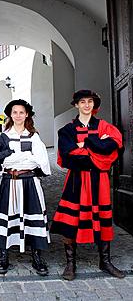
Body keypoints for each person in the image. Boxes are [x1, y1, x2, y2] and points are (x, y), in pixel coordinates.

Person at [51, 90, 125, 280]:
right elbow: (68, 158)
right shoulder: (67, 130)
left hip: (99, 181)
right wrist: (97, 148)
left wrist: (85, 145)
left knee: (102, 219)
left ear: (94, 104)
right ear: (76, 105)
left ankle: (105, 261)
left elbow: (113, 150)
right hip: (76, 180)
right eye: (82, 101)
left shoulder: (105, 126)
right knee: (70, 221)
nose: (86, 105)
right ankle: (70, 263)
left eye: (90, 101)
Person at [0, 99, 51, 275]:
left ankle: (37, 257)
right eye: (14, 112)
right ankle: (3, 256)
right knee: (7, 217)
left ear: (27, 114)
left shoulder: (33, 136)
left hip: (29, 182)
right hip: (9, 182)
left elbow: (41, 161)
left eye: (21, 112)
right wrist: (23, 158)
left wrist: (18, 159)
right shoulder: (4, 137)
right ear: (10, 115)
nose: (18, 115)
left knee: (33, 217)